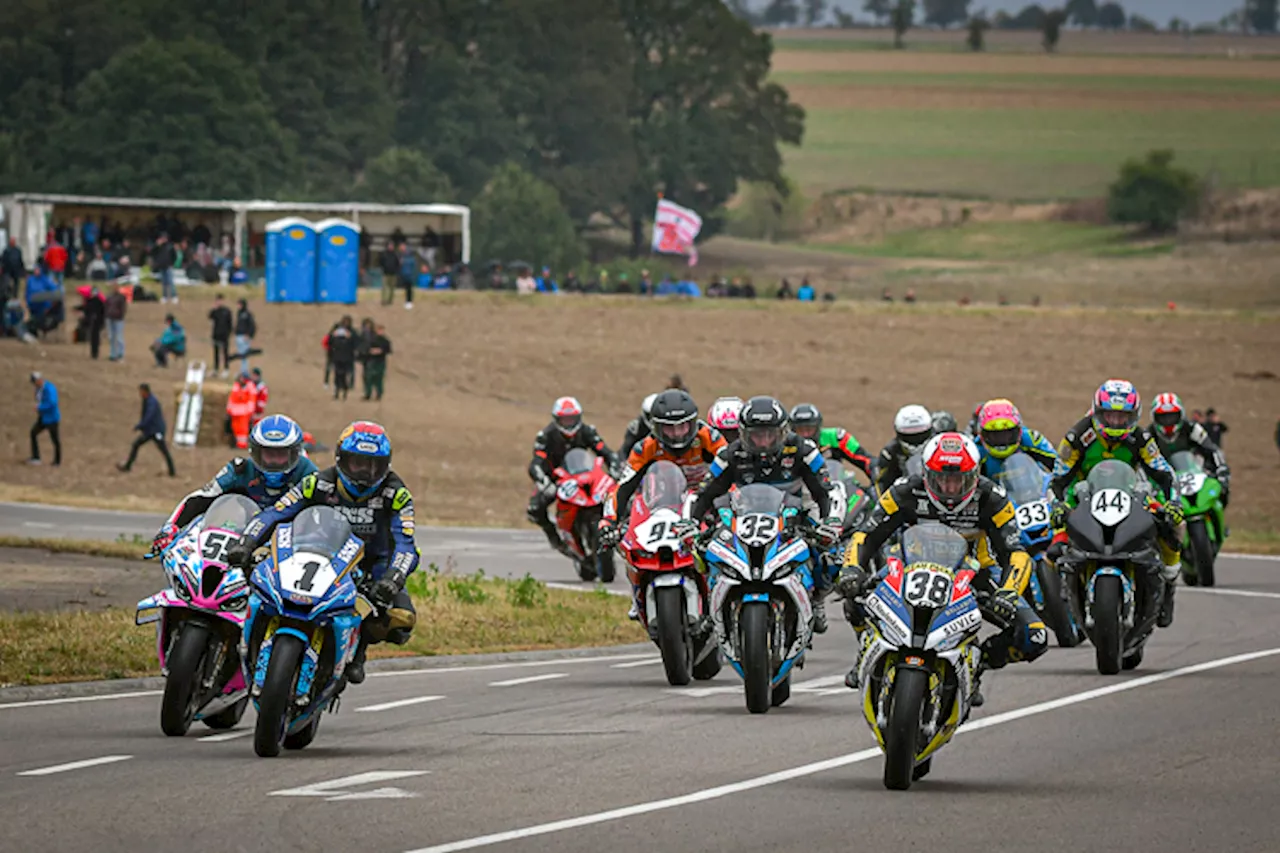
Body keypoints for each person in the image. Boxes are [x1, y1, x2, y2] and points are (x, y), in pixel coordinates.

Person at [836, 432, 1048, 696]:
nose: (950, 489)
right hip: (908, 567)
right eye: (942, 479)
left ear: (974, 474)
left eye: (959, 480)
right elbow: (866, 535)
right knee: (855, 596)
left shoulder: (993, 498)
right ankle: (866, 650)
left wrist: (1009, 591)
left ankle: (977, 663)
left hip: (975, 573)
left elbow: (1016, 552)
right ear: (926, 475)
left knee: (1035, 636)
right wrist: (852, 567)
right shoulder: (904, 490)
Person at [226, 421, 418, 684]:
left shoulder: (396, 494)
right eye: (358, 463)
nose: (365, 473)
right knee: (258, 580)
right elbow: (276, 512)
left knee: (401, 619)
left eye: (374, 465)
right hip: (321, 550)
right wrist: (246, 542)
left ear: (386, 465)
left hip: (373, 561)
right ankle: (253, 640)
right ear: (340, 459)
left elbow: (406, 543)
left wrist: (392, 579)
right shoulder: (317, 483)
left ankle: (358, 649)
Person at [685, 396, 840, 631]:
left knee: (828, 552)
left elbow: (824, 490)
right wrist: (692, 523)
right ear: (745, 434)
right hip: (745, 511)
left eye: (770, 434)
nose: (764, 442)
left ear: (782, 431)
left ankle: (817, 597)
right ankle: (712, 607)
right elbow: (705, 493)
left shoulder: (803, 449)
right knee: (707, 549)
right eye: (757, 435)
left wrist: (829, 521)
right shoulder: (729, 455)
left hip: (797, 509)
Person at [1049, 379, 1181, 628]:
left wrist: (1174, 502)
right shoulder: (1078, 436)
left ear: (1134, 416)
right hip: (1082, 495)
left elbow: (1164, 473)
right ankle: (1067, 588)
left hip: (1128, 494)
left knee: (1171, 526)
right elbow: (1057, 478)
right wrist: (1057, 505)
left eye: (1123, 417)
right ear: (1098, 412)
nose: (1116, 423)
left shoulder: (1141, 438)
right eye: (1110, 415)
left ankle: (1169, 585)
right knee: (1054, 543)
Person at [149, 415, 318, 554]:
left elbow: (321, 516)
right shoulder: (240, 469)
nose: (274, 462)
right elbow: (202, 497)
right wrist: (170, 528)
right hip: (242, 540)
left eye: (281, 455)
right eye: (268, 454)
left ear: (295, 454)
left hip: (290, 543)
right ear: (255, 452)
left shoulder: (308, 472)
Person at [526, 397, 617, 553]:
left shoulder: (587, 431)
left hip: (585, 475)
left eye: (572, 419)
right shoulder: (545, 436)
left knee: (619, 497)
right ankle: (554, 537)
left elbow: (606, 452)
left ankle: (618, 531)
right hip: (556, 478)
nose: (569, 423)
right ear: (556, 420)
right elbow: (536, 463)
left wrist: (615, 467)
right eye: (565, 420)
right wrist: (543, 480)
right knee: (535, 509)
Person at [1151, 393, 1230, 506]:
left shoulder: (1192, 428)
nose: (1168, 421)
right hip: (1165, 482)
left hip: (1195, 474)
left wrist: (1221, 470)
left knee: (1221, 495)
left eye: (1172, 416)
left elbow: (1212, 450)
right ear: (1154, 417)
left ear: (1181, 415)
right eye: (1162, 417)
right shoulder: (1149, 435)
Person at [789, 403, 876, 483]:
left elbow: (866, 460)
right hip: (801, 493)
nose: (805, 434)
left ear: (818, 427)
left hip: (836, 488)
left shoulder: (836, 437)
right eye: (800, 430)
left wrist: (875, 472)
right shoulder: (786, 446)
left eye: (809, 429)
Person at [973, 398, 1058, 477]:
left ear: (1019, 431)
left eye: (1007, 435)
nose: (1002, 441)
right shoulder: (976, 450)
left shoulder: (1031, 439)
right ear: (982, 435)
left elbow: (1060, 465)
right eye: (995, 436)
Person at [874, 404, 934, 495]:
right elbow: (881, 483)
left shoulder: (938, 447)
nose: (915, 442)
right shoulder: (889, 454)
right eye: (910, 437)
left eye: (920, 436)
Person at [118, 383, 176, 476]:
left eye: (141, 391)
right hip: (150, 431)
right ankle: (128, 466)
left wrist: (140, 425)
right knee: (136, 445)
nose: (140, 393)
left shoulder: (151, 402)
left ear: (145, 391)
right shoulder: (147, 400)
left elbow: (149, 416)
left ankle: (172, 471)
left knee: (164, 450)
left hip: (156, 431)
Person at [28, 372, 61, 466]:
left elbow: (53, 403)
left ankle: (57, 461)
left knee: (55, 440)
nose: (34, 384)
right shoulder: (39, 389)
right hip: (43, 418)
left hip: (52, 418)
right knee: (33, 433)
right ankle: (36, 457)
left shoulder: (49, 388)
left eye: (34, 382)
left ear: (39, 380)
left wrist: (40, 407)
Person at [619, 393, 658, 460]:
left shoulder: (671, 427)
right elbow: (624, 450)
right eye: (650, 416)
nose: (653, 421)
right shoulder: (636, 427)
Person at [328, 316, 358, 400]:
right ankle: (336, 392)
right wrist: (333, 336)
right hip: (337, 356)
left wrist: (350, 337)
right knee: (337, 375)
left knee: (344, 375)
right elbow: (329, 342)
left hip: (347, 357)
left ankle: (345, 391)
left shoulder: (352, 332)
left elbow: (356, 343)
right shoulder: (336, 330)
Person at [225, 373, 257, 450]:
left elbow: (251, 401)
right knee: (235, 427)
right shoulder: (236, 386)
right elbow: (231, 399)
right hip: (234, 412)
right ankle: (237, 443)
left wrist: (250, 412)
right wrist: (229, 410)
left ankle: (242, 444)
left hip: (244, 412)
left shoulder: (250, 388)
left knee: (242, 429)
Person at [362, 323, 391, 401]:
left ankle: (379, 394)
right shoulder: (371, 340)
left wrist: (381, 351)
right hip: (371, 361)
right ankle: (368, 394)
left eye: (382, 330)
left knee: (379, 379)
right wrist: (371, 351)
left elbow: (388, 350)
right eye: (379, 330)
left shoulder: (385, 341)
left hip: (381, 361)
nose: (380, 332)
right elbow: (365, 349)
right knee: (369, 378)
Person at [209, 294, 233, 377]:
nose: (219, 302)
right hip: (216, 334)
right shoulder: (215, 311)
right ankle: (215, 369)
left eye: (220, 300)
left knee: (225, 352)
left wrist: (228, 333)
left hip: (224, 335)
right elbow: (210, 317)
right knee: (216, 352)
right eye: (217, 301)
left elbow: (230, 324)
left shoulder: (227, 311)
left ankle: (226, 369)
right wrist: (214, 308)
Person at [79, 285, 105, 359]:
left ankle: (95, 353)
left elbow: (102, 311)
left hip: (97, 321)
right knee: (92, 337)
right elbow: (86, 308)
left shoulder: (99, 301)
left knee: (96, 337)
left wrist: (100, 319)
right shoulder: (89, 301)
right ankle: (93, 352)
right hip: (91, 320)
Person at [105, 285, 127, 361]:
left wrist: (121, 315)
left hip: (118, 319)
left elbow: (123, 308)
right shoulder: (109, 297)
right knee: (111, 337)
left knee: (119, 337)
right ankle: (113, 353)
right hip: (110, 318)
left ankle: (121, 353)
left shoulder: (121, 297)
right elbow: (106, 306)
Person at [151, 234, 176, 303]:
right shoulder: (158, 247)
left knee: (170, 282)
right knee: (164, 283)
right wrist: (156, 245)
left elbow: (174, 256)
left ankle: (174, 296)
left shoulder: (170, 246)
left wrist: (172, 263)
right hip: (161, 266)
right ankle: (164, 296)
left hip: (168, 266)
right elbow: (152, 252)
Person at [234, 298, 256, 371]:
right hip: (238, 336)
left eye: (239, 304)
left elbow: (252, 325)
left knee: (244, 355)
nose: (238, 306)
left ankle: (244, 371)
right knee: (241, 355)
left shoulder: (248, 314)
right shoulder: (239, 313)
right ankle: (242, 370)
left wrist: (249, 335)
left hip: (244, 337)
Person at [398, 241, 417, 309]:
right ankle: (406, 301)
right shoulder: (400, 255)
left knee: (409, 289)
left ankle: (409, 301)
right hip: (403, 274)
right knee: (405, 288)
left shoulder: (409, 256)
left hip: (409, 274)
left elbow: (413, 265)